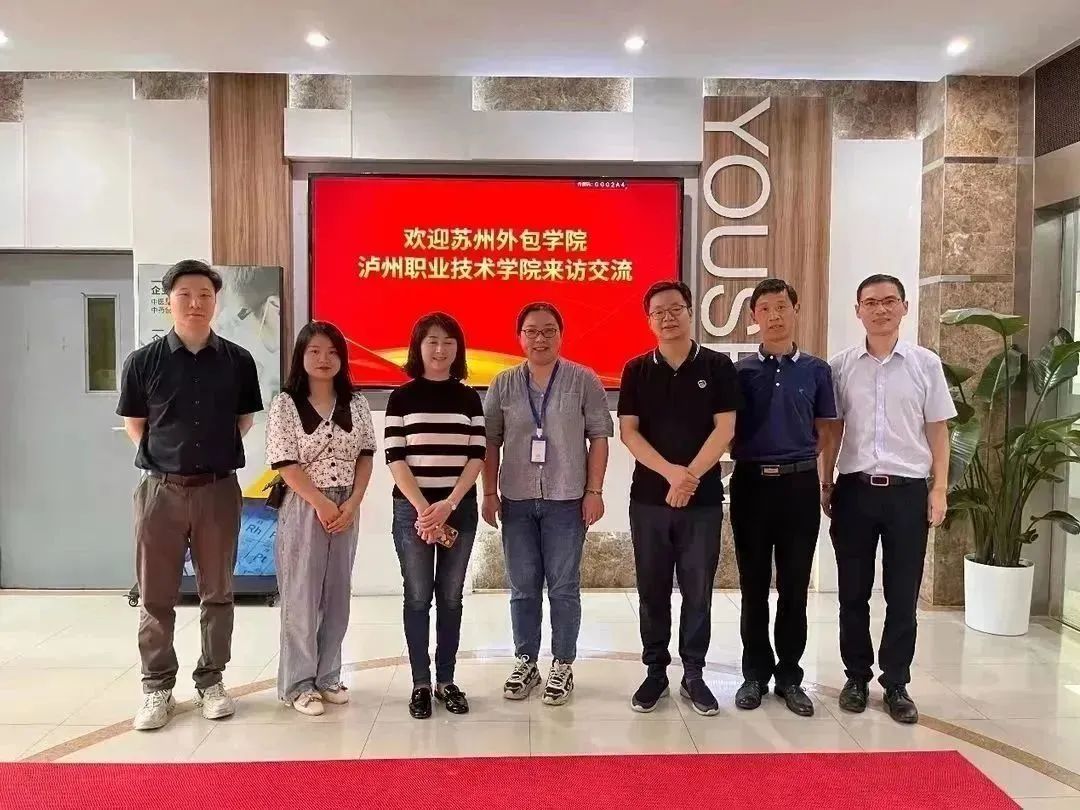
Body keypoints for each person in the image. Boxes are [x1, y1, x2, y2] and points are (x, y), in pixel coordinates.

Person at [117, 259, 263, 731]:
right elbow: (135, 425)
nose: (195, 303)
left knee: (217, 592)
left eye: (205, 295)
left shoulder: (238, 361)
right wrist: (168, 462)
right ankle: (157, 687)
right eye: (185, 294)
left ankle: (211, 680)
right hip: (160, 492)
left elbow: (244, 420)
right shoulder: (143, 362)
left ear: (216, 301)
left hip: (218, 490)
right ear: (170, 301)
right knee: (155, 595)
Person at [819, 274, 954, 724]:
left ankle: (896, 682)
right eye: (871, 302)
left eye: (889, 301)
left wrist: (939, 488)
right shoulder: (840, 366)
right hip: (855, 490)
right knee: (852, 593)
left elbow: (938, 430)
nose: (881, 309)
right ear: (857, 310)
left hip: (907, 494)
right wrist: (826, 482)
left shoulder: (925, 364)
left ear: (904, 307)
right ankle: (856, 677)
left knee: (902, 595)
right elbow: (833, 430)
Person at [618, 280, 741, 716]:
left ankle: (693, 673)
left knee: (697, 589)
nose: (668, 317)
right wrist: (672, 473)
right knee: (652, 589)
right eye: (659, 312)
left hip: (702, 501)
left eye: (675, 309)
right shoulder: (636, 370)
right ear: (648, 320)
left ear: (690, 312)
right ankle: (655, 671)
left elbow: (725, 429)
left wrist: (689, 479)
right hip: (649, 500)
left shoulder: (718, 365)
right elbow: (628, 432)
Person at [483, 302, 613, 706]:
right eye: (532, 331)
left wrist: (595, 492)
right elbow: (490, 443)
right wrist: (488, 493)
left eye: (549, 330)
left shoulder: (583, 379)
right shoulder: (503, 383)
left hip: (567, 499)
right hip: (517, 500)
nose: (540, 338)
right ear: (519, 337)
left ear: (561, 334)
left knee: (563, 587)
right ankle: (526, 661)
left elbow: (599, 438)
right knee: (522, 587)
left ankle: (562, 664)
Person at [730, 279, 836, 717]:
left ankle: (790, 676)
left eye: (781, 307)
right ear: (754, 317)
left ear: (796, 309)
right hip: (750, 484)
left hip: (798, 486)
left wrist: (812, 469)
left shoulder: (816, 370)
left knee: (794, 586)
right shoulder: (738, 372)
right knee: (753, 586)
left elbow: (826, 429)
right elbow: (725, 429)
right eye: (765, 309)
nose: (774, 316)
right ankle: (754, 674)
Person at [265, 321, 376, 716]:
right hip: (304, 504)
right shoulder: (286, 404)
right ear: (301, 356)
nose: (323, 359)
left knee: (337, 596)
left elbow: (366, 456)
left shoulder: (356, 403)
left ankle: (328, 675)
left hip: (347, 506)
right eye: (314, 351)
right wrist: (320, 502)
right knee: (301, 596)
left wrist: (354, 502)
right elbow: (285, 463)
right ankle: (299, 685)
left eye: (332, 351)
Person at [385, 313, 485, 720]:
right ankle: (420, 683)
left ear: (458, 349)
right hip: (412, 511)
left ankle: (446, 680)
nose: (440, 349)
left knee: (451, 596)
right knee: (417, 596)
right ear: (418, 347)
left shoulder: (470, 398)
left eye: (448, 341)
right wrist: (424, 509)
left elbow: (477, 455)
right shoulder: (401, 397)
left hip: (459, 509)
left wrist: (449, 504)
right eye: (431, 341)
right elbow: (395, 457)